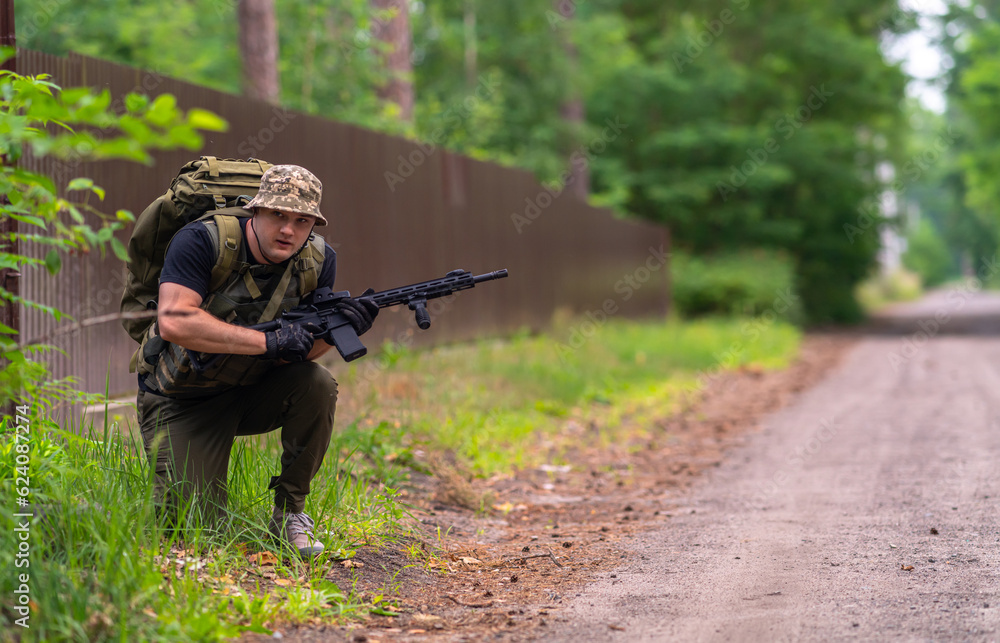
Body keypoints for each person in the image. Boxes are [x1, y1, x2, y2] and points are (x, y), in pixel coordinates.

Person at [135, 165, 378, 557]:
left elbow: (298, 356)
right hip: (181, 399)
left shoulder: (317, 260)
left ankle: (289, 515)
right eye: (278, 215)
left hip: (251, 391)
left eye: (302, 221)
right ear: (255, 211)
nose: (288, 230)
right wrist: (268, 342)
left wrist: (336, 331)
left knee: (316, 383)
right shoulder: (202, 240)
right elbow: (175, 321)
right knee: (195, 534)